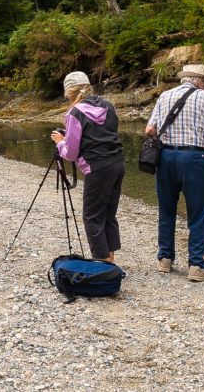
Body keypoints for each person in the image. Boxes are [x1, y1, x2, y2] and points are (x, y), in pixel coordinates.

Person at [145, 64, 204, 282]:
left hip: (166, 157)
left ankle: (165, 259)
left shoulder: (164, 96)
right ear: (200, 81)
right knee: (198, 212)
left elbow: (150, 130)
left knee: (167, 209)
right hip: (194, 157)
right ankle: (196, 265)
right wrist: (203, 144)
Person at [51, 71, 126, 263]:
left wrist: (60, 143)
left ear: (69, 92)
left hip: (97, 167)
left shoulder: (74, 113)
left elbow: (71, 153)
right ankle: (110, 259)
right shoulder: (108, 106)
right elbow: (103, 135)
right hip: (117, 162)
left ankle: (102, 264)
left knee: (92, 217)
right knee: (108, 215)